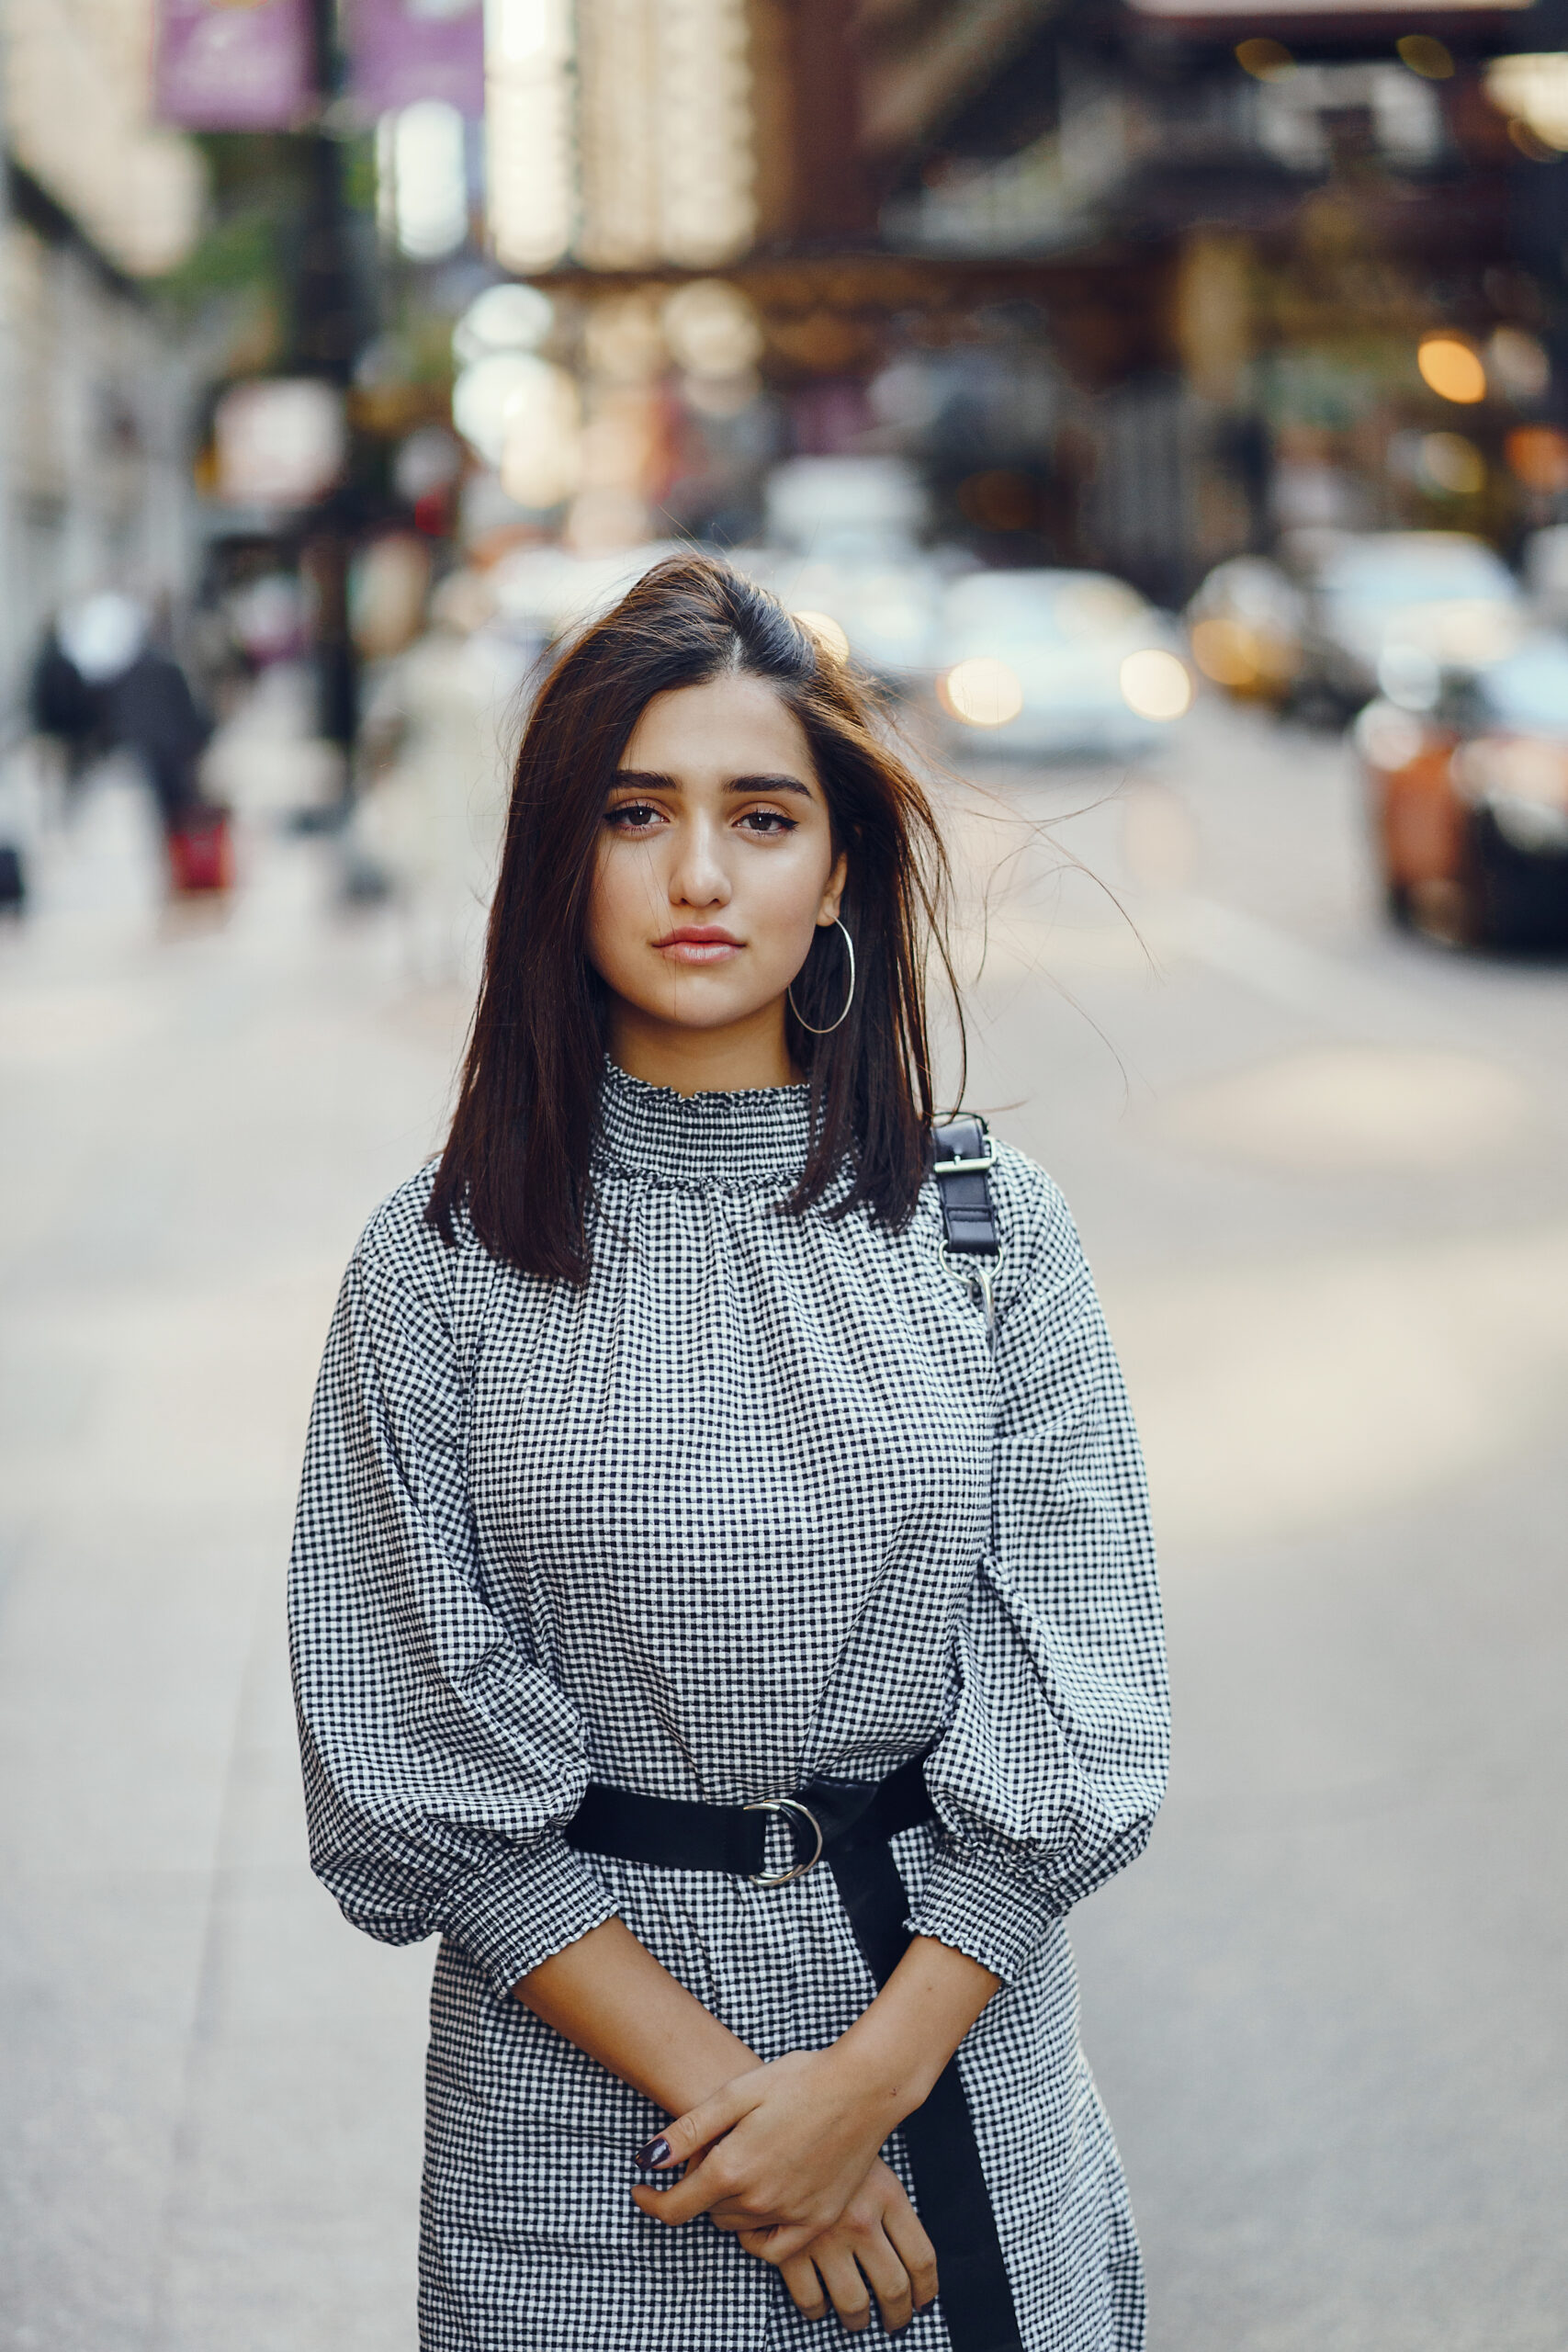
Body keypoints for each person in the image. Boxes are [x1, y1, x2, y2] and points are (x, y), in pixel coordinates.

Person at [289, 555, 1168, 2352]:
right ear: (560, 856)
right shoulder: (435, 1259)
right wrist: (776, 2127)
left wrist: (868, 2088)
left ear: (836, 858)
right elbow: (405, 1756)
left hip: (951, 2054)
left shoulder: (992, 1237)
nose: (699, 875)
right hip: (575, 2126)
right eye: (636, 813)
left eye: (760, 814)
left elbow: (1080, 1702)